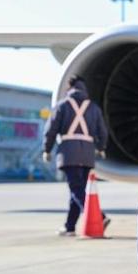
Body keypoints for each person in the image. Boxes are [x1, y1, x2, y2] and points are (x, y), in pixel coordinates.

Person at [43, 75, 111, 236]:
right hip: (87, 154)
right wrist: (101, 147)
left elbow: (51, 130)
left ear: (70, 88)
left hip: (69, 153)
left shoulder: (62, 106)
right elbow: (102, 131)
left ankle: (100, 217)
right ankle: (69, 226)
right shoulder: (93, 107)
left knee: (76, 189)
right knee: (78, 189)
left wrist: (47, 149)